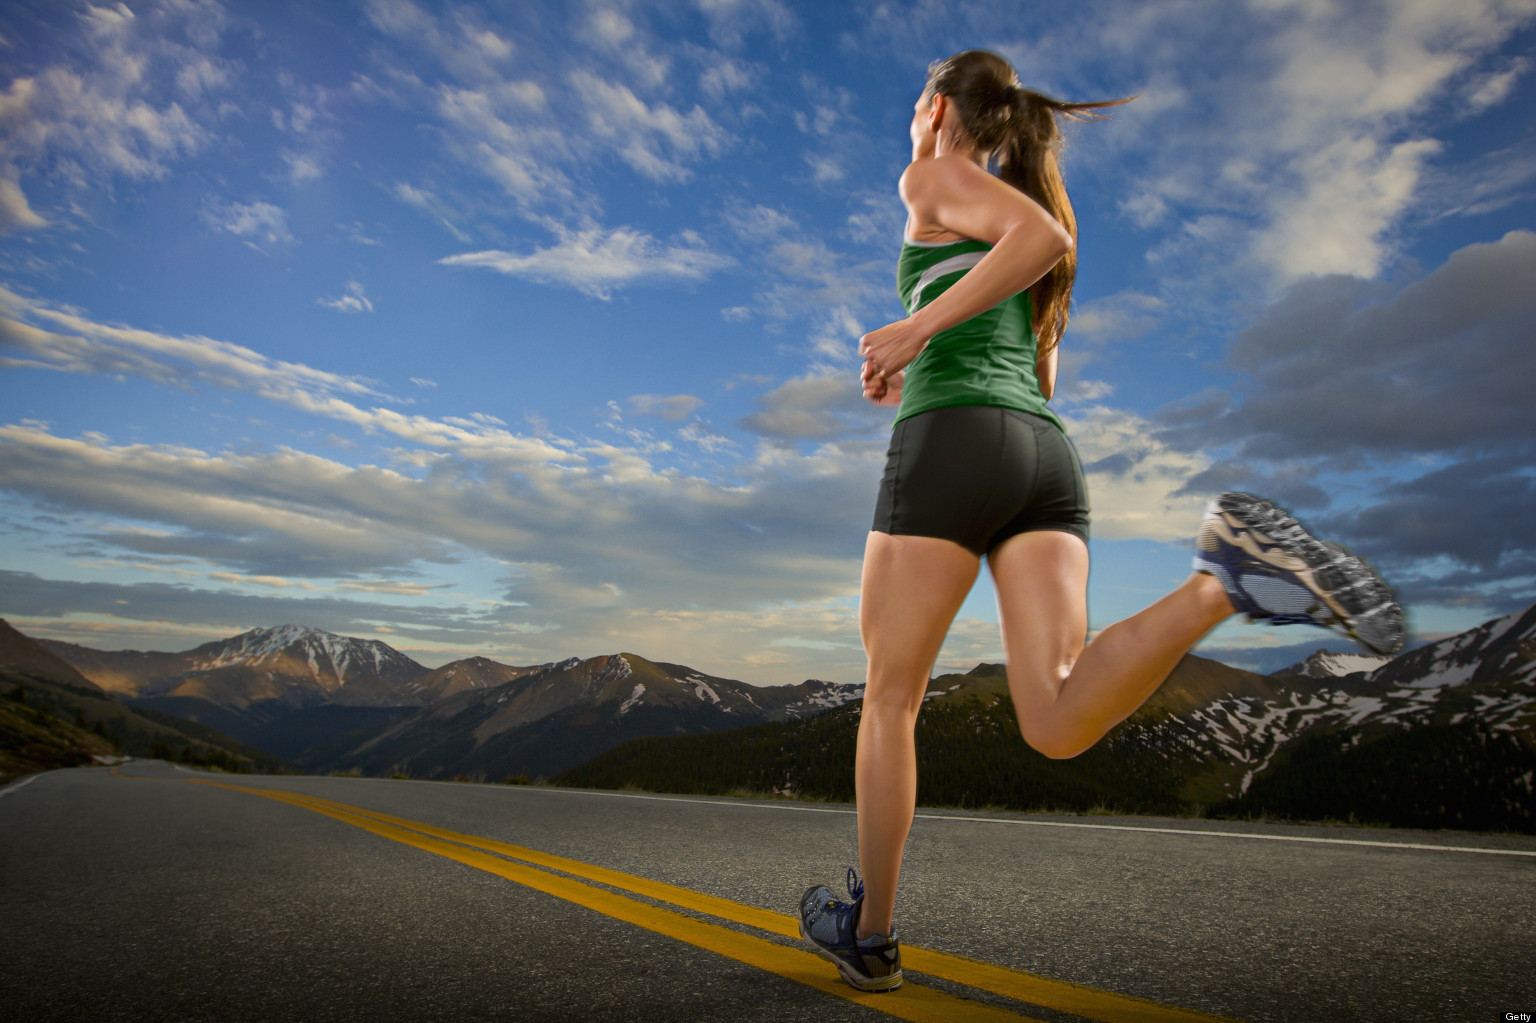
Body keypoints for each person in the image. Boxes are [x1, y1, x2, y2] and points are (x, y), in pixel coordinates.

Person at [796, 49, 1404, 994]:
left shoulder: (933, 177)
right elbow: (1028, 372)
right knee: (1057, 717)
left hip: (955, 447)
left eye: (921, 93)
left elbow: (1041, 238)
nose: (912, 110)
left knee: (890, 698)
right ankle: (1222, 579)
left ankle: (869, 936)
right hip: (1041, 460)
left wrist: (914, 334)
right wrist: (917, 359)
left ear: (943, 110)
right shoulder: (989, 227)